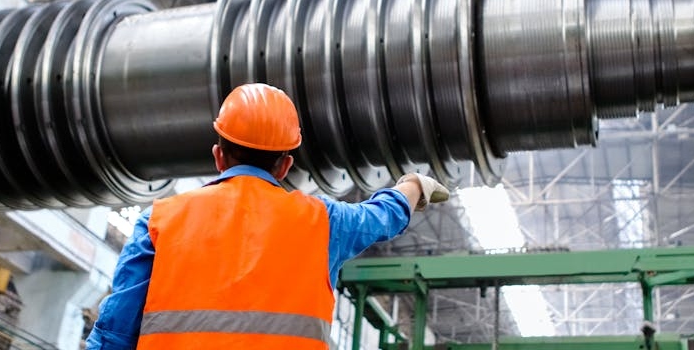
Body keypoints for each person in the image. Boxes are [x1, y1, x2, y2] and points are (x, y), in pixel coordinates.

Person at [85, 83, 449, 349]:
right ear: (285, 165)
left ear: (218, 155)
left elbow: (115, 332)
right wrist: (413, 185)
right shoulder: (324, 222)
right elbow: (383, 215)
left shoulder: (159, 220)